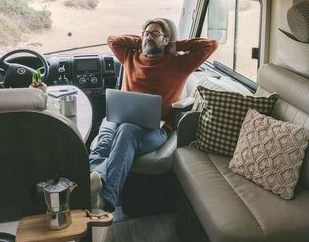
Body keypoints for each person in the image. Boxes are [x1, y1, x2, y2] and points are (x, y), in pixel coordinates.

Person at [90, 18, 218, 212]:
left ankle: (106, 200)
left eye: (155, 33)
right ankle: (93, 182)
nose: (149, 36)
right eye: (146, 33)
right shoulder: (130, 56)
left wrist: (176, 45)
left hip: (155, 130)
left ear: (166, 40)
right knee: (106, 133)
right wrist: (144, 41)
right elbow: (112, 40)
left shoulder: (180, 63)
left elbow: (211, 45)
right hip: (119, 117)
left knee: (125, 130)